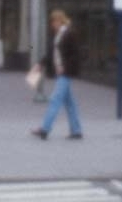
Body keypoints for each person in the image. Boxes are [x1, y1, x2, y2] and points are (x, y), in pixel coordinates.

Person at [31, 9, 83, 140]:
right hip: (61, 72)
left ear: (60, 20)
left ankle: (45, 129)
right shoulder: (57, 35)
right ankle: (76, 131)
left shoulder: (70, 34)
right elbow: (51, 53)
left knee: (55, 100)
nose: (52, 24)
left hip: (65, 73)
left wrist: (65, 68)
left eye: (54, 21)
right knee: (70, 103)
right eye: (52, 22)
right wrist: (40, 64)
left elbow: (76, 55)